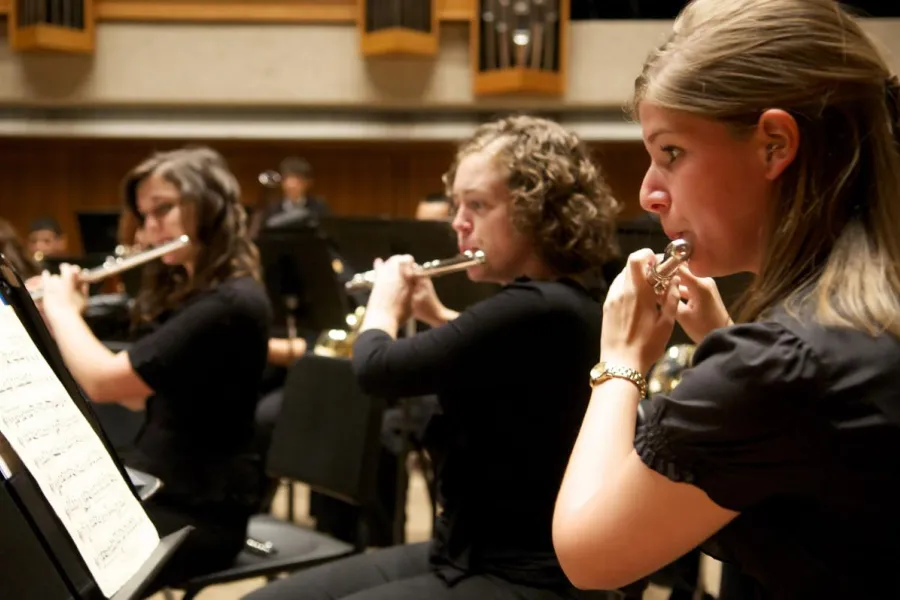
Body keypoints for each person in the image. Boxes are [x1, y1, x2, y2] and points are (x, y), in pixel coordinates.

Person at [552, 1, 900, 598]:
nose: (649, 193)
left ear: (773, 145)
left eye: (671, 153)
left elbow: (587, 555)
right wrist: (725, 346)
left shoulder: (785, 365)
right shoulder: (844, 327)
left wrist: (622, 357)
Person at [245, 114, 629, 600]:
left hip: (518, 574)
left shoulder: (534, 307)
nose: (458, 222)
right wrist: (433, 313)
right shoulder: (557, 302)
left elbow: (376, 369)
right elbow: (497, 355)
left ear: (538, 211)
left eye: (477, 205)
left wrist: (381, 305)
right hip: (463, 551)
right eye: (456, 203)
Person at [38, 146, 272, 592]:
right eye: (144, 216)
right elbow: (134, 393)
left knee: (56, 568)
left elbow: (106, 384)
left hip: (199, 513)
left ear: (209, 207)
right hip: (160, 483)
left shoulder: (230, 304)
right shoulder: (193, 295)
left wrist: (62, 309)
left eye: (162, 210)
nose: (149, 230)